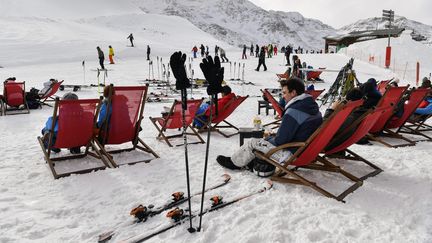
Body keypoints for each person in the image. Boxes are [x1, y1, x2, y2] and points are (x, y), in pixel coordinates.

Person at [216, 78, 323, 174]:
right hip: (305, 150)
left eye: (285, 93)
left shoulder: (294, 111)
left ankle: (234, 162)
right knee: (266, 140)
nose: (283, 96)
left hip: (292, 154)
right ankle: (250, 161)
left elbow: (281, 140)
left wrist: (269, 139)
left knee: (253, 142)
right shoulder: (310, 106)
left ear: (294, 93)